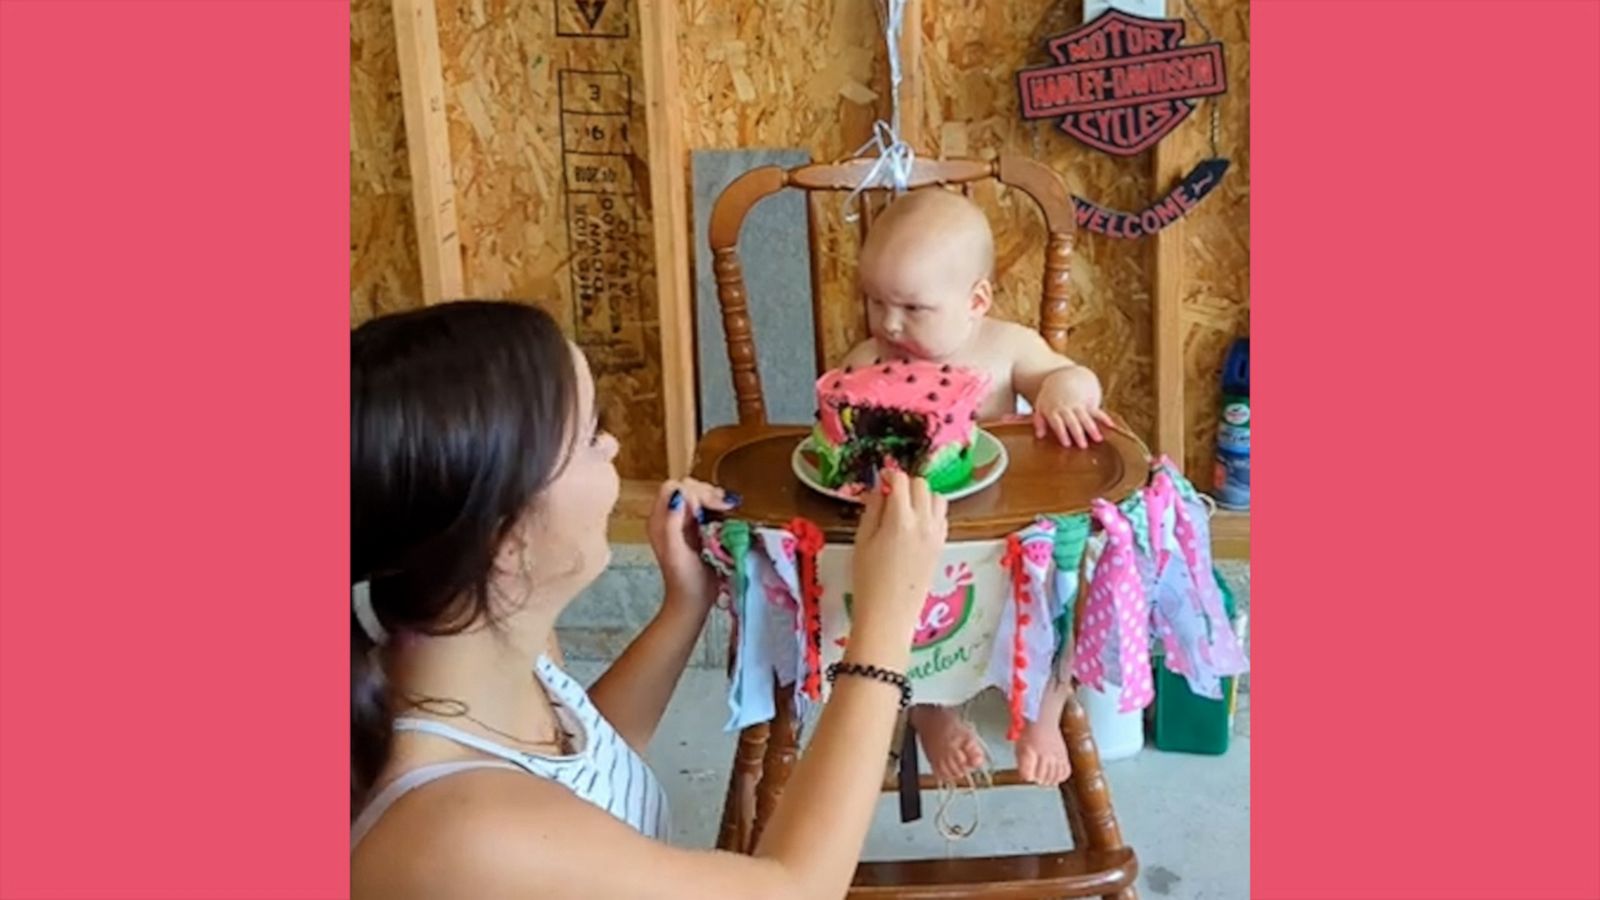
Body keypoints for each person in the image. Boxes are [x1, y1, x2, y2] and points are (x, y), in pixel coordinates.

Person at [350, 300, 949, 900]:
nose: (612, 446)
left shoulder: (466, 650)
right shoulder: (465, 839)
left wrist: (684, 605)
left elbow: (587, 767)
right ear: (504, 540)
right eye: (589, 435)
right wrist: (885, 622)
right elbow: (796, 890)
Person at [836, 188, 1113, 788]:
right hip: (921, 539)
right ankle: (931, 710)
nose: (888, 323)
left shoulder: (1007, 347)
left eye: (912, 307)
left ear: (976, 300)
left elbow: (1067, 376)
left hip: (1011, 543)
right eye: (876, 302)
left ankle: (1046, 713)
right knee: (886, 602)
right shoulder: (868, 360)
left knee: (1066, 590)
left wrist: (1067, 390)